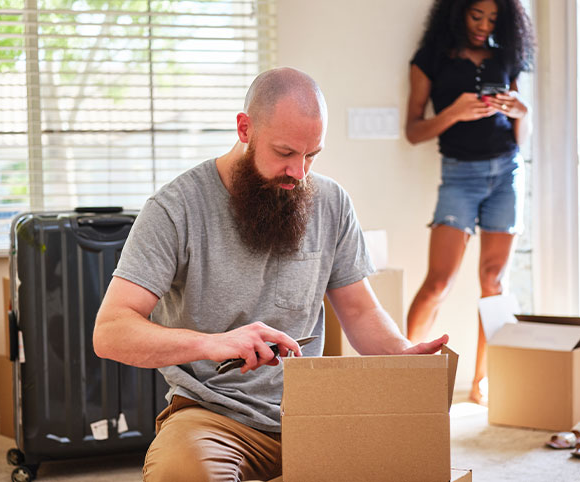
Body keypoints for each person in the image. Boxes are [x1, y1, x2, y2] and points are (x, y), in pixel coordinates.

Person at [93, 67, 449, 482]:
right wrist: (215, 344)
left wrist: (401, 356)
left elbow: (360, 311)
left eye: (311, 155)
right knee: (182, 475)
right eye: (284, 153)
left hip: (316, 412)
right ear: (245, 129)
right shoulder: (175, 208)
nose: (299, 172)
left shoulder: (332, 202)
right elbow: (111, 332)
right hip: (215, 417)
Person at [405, 0, 534, 404]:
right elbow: (413, 131)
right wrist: (455, 112)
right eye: (476, 16)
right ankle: (401, 371)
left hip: (506, 173)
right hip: (459, 175)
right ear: (458, 12)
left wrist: (521, 111)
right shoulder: (430, 59)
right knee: (438, 282)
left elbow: (519, 138)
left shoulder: (505, 57)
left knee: (493, 282)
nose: (483, 26)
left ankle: (483, 383)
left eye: (493, 19)